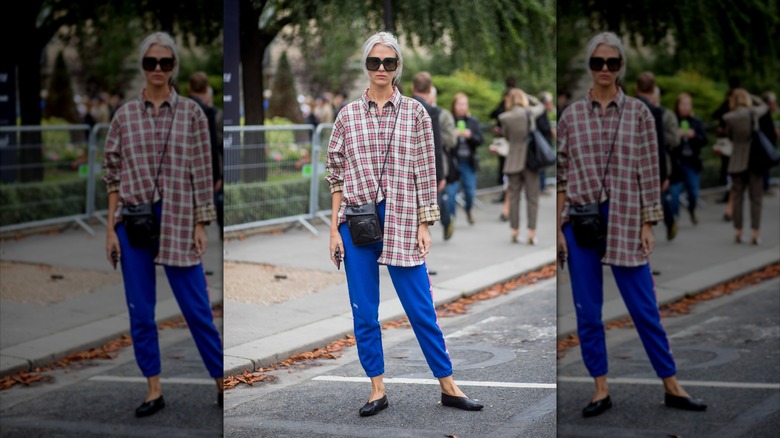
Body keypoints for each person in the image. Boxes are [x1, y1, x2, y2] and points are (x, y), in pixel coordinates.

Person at [326, 31, 483, 416]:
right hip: (356, 222)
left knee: (420, 306)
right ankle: (376, 388)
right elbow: (336, 174)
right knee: (364, 310)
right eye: (374, 61)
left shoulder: (415, 113)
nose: (381, 68)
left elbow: (426, 172)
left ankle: (448, 384)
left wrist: (425, 224)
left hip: (402, 219)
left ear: (398, 67)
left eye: (389, 62)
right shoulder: (347, 115)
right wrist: (333, 230)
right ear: (366, 65)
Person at [556, 31, 706, 418]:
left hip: (625, 218)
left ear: (622, 66)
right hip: (580, 221)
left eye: (612, 62)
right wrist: (557, 228)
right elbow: (561, 174)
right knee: (588, 311)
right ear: (590, 66)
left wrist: (648, 223)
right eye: (597, 62)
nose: (605, 69)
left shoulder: (639, 113)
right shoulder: (570, 115)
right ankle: (600, 389)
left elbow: (649, 172)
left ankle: (671, 384)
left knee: (644, 307)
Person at [102, 32, 223, 417]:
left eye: (165, 62)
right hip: (132, 221)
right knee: (141, 311)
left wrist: (201, 224)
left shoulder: (191, 114)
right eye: (151, 62)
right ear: (143, 66)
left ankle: (221, 381)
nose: (157, 68)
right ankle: (153, 388)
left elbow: (202, 172)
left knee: (197, 308)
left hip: (179, 220)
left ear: (174, 68)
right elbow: (112, 174)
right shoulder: (123, 116)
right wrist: (110, 228)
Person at [499, 88, 545, 244]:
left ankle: (515, 231)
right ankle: (531, 233)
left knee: (514, 197)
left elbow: (506, 137)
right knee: (532, 198)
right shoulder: (529, 113)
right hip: (530, 160)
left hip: (513, 161)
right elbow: (541, 105)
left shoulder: (505, 117)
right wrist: (527, 96)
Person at [723, 89, 769, 245]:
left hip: (737, 161)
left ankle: (738, 231)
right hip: (754, 160)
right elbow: (765, 106)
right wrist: (751, 96)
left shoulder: (729, 117)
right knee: (756, 198)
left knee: (737, 198)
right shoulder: (753, 113)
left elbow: (730, 137)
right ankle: (755, 233)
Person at [188, 72, 224, 240]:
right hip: (203, 167)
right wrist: (217, 175)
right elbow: (211, 145)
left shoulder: (183, 108)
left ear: (189, 88)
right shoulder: (207, 111)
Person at [446, 93, 483, 225]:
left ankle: (468, 209)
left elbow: (480, 140)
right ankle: (451, 220)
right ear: (454, 105)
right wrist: (453, 135)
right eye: (460, 104)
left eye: (464, 104)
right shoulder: (449, 120)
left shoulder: (472, 121)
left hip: (468, 162)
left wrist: (470, 136)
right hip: (453, 162)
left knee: (470, 192)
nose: (462, 107)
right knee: (451, 194)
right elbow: (442, 140)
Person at [671, 93, 707, 225]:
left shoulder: (696, 121)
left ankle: (692, 209)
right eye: (683, 104)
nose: (686, 107)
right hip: (677, 162)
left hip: (692, 162)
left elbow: (704, 140)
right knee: (674, 193)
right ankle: (674, 218)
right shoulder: (673, 120)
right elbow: (666, 141)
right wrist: (677, 135)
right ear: (678, 105)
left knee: (693, 191)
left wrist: (694, 136)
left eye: (688, 104)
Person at [429, 84, 459, 240]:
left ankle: (447, 222)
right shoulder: (412, 109)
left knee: (438, 199)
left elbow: (452, 140)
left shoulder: (443, 115)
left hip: (439, 162)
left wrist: (433, 135)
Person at [758, 91, 778, 194]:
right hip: (764, 147)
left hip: (766, 146)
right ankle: (764, 187)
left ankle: (765, 186)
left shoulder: (765, 114)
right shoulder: (763, 114)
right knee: (764, 167)